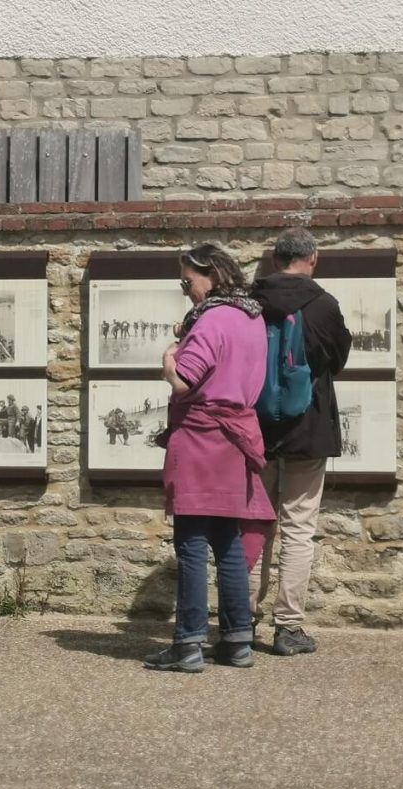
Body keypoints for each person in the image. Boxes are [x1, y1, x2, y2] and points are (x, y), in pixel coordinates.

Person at [144, 244, 276, 673]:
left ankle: (188, 645)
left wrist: (168, 359)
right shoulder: (252, 317)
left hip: (202, 436)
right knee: (228, 542)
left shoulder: (212, 319)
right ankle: (238, 641)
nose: (185, 290)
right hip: (236, 437)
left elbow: (185, 381)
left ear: (212, 275)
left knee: (192, 543)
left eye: (188, 281)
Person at [249, 228, 352, 657]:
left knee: (253, 525)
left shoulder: (251, 303)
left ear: (275, 261)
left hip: (256, 430)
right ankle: (288, 627)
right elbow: (339, 359)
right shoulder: (323, 305)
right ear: (314, 258)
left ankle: (240, 621)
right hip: (307, 430)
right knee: (298, 528)